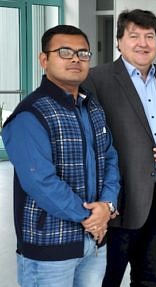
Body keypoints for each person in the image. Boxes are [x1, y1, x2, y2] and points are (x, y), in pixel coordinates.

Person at [1, 25, 120, 287]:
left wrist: (107, 205)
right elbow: (40, 182)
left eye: (83, 53)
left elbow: (110, 157)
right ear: (44, 60)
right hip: (50, 250)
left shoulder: (92, 106)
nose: (76, 58)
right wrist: (91, 217)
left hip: (94, 244)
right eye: (65, 52)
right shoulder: (30, 114)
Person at [82, 9, 156, 286]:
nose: (143, 43)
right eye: (134, 36)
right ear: (119, 41)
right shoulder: (96, 79)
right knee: (106, 279)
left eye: (150, 36)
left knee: (151, 279)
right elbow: (89, 141)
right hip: (116, 203)